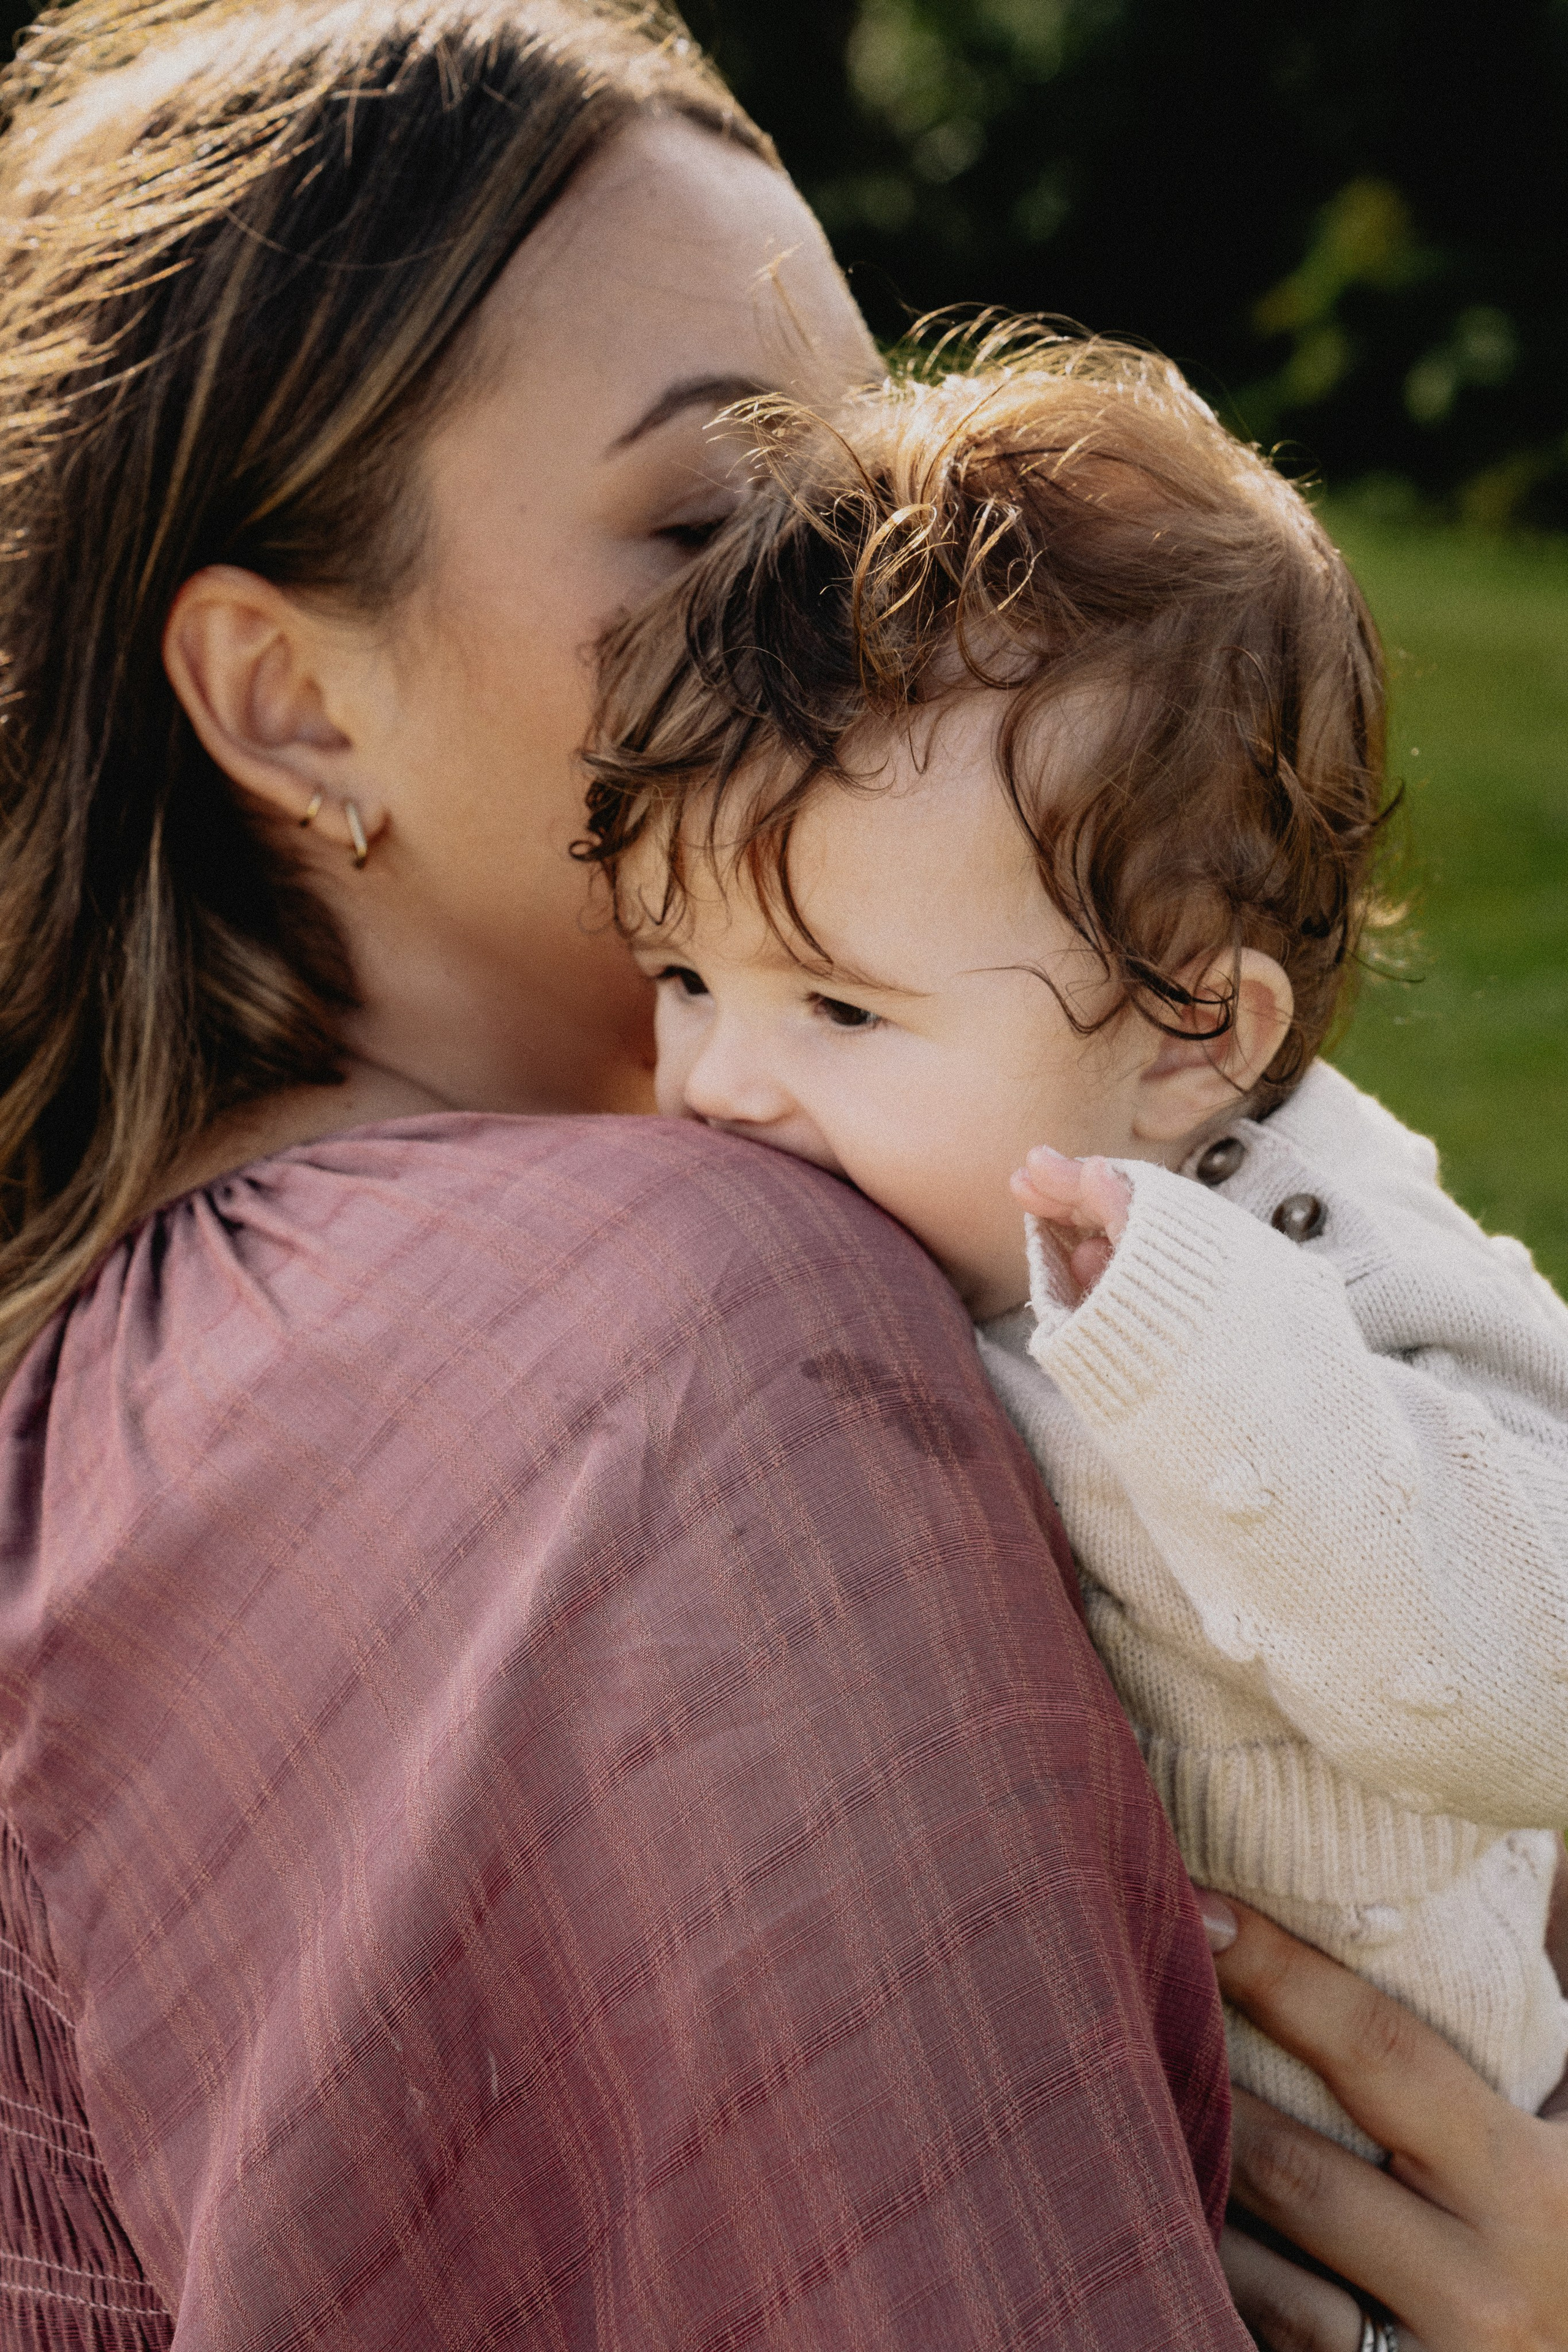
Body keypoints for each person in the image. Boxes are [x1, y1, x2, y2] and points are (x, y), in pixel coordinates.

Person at [0, 6, 1560, 2349]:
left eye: (870, 512)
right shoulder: (694, 1324)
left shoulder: (119, 1371)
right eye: (725, 520)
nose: (859, 634)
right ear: (295, 705)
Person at [581, 335, 1568, 2341]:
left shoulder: (1325, 1255)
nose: (722, 1082)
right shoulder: (890, 1235)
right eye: (686, 975)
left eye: (839, 1012)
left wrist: (1196, 1349)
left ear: (1194, 1038)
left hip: (1411, 2217)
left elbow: (1518, 1679)